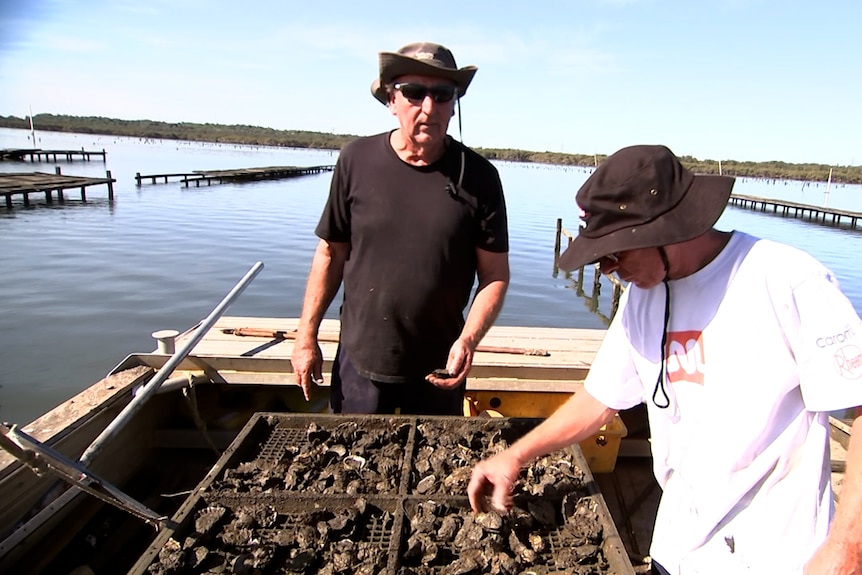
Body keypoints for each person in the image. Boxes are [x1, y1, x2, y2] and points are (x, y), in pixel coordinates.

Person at [467, 144, 862, 574]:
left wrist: (845, 549)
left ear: (666, 229)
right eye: (600, 260)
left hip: (775, 554)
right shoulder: (643, 298)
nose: (607, 271)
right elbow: (598, 401)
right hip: (677, 548)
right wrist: (515, 456)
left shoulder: (787, 279)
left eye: (614, 255)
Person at [290, 42, 509, 416]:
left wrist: (469, 339)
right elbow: (331, 253)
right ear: (391, 100)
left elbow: (494, 275)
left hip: (441, 367)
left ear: (454, 105)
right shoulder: (355, 160)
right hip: (361, 360)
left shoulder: (480, 177)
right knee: (351, 466)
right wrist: (305, 336)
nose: (429, 107)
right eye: (414, 93)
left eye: (442, 95)